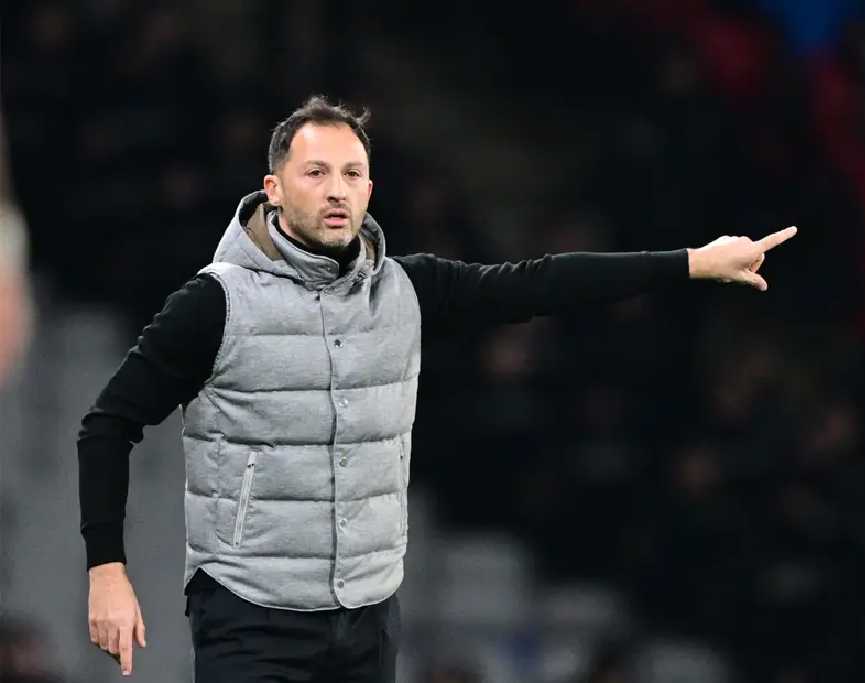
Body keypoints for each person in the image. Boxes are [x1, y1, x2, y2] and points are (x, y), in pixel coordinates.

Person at [78, 95, 798, 681]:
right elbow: (108, 424)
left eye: (352, 174)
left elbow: (541, 283)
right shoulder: (216, 303)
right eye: (316, 172)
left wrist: (690, 262)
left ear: (370, 190)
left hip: (366, 616)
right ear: (273, 188)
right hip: (250, 611)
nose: (336, 190)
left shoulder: (406, 289)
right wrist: (107, 567)